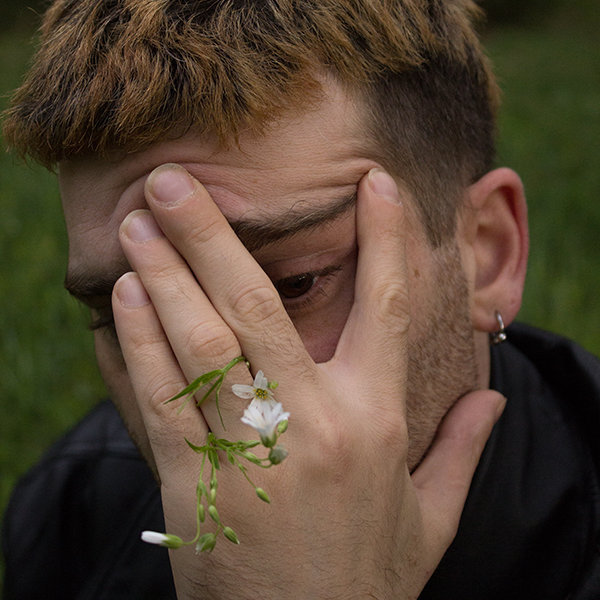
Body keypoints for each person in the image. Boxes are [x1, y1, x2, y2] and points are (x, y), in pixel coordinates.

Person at [2, 0, 599, 598]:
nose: (204, 361)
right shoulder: (72, 513)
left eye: (294, 284)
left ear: (488, 252)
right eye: (126, 312)